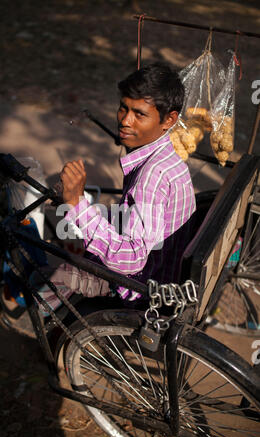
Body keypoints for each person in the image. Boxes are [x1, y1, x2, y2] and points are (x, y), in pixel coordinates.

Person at [36, 62, 196, 312]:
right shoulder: (169, 159)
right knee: (82, 227)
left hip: (141, 289)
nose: (125, 121)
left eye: (139, 114)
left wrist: (77, 203)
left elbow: (131, 259)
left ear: (169, 120)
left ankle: (40, 317)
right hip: (164, 270)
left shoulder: (152, 177)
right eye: (123, 108)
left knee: (61, 275)